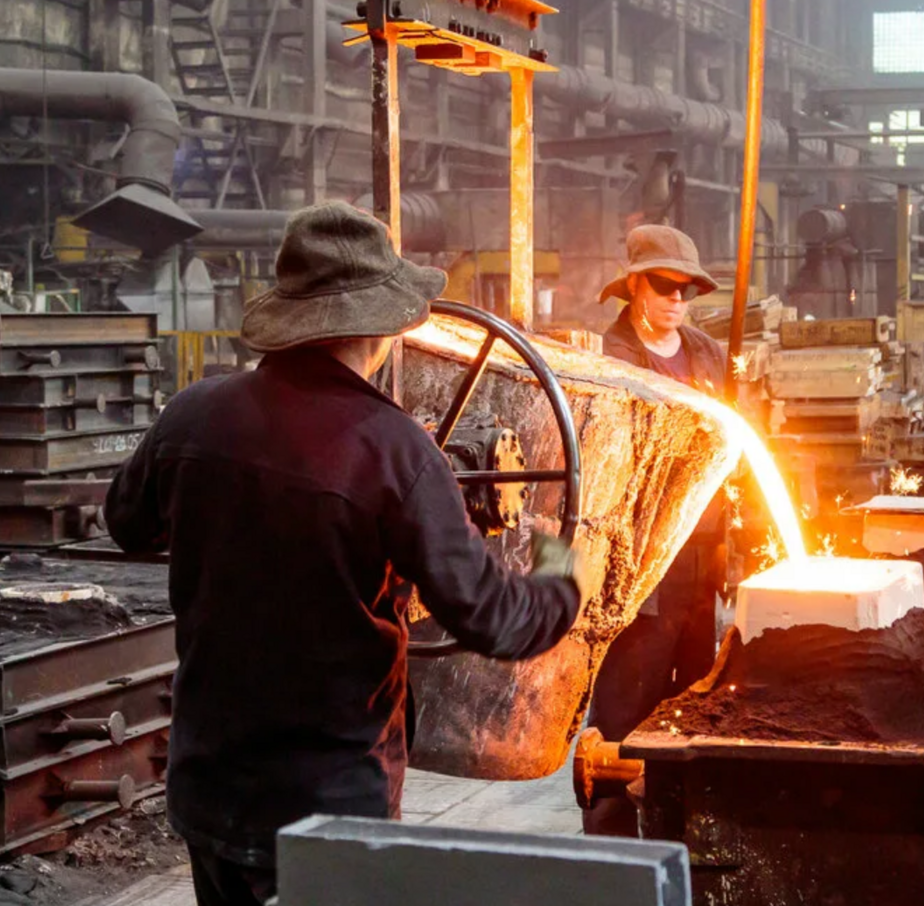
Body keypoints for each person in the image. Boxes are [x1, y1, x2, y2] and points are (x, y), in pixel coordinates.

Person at [105, 201, 584, 906]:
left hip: (210, 788)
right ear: (382, 325)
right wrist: (560, 573)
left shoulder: (193, 416)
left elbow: (127, 522)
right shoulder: (397, 454)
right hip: (328, 805)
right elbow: (494, 618)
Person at [585, 224, 728, 836]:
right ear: (635, 286)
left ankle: (680, 837)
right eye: (664, 285)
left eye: (687, 288)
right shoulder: (611, 359)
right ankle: (610, 851)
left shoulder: (709, 354)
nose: (677, 298)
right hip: (641, 566)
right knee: (625, 712)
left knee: (694, 710)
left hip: (702, 560)